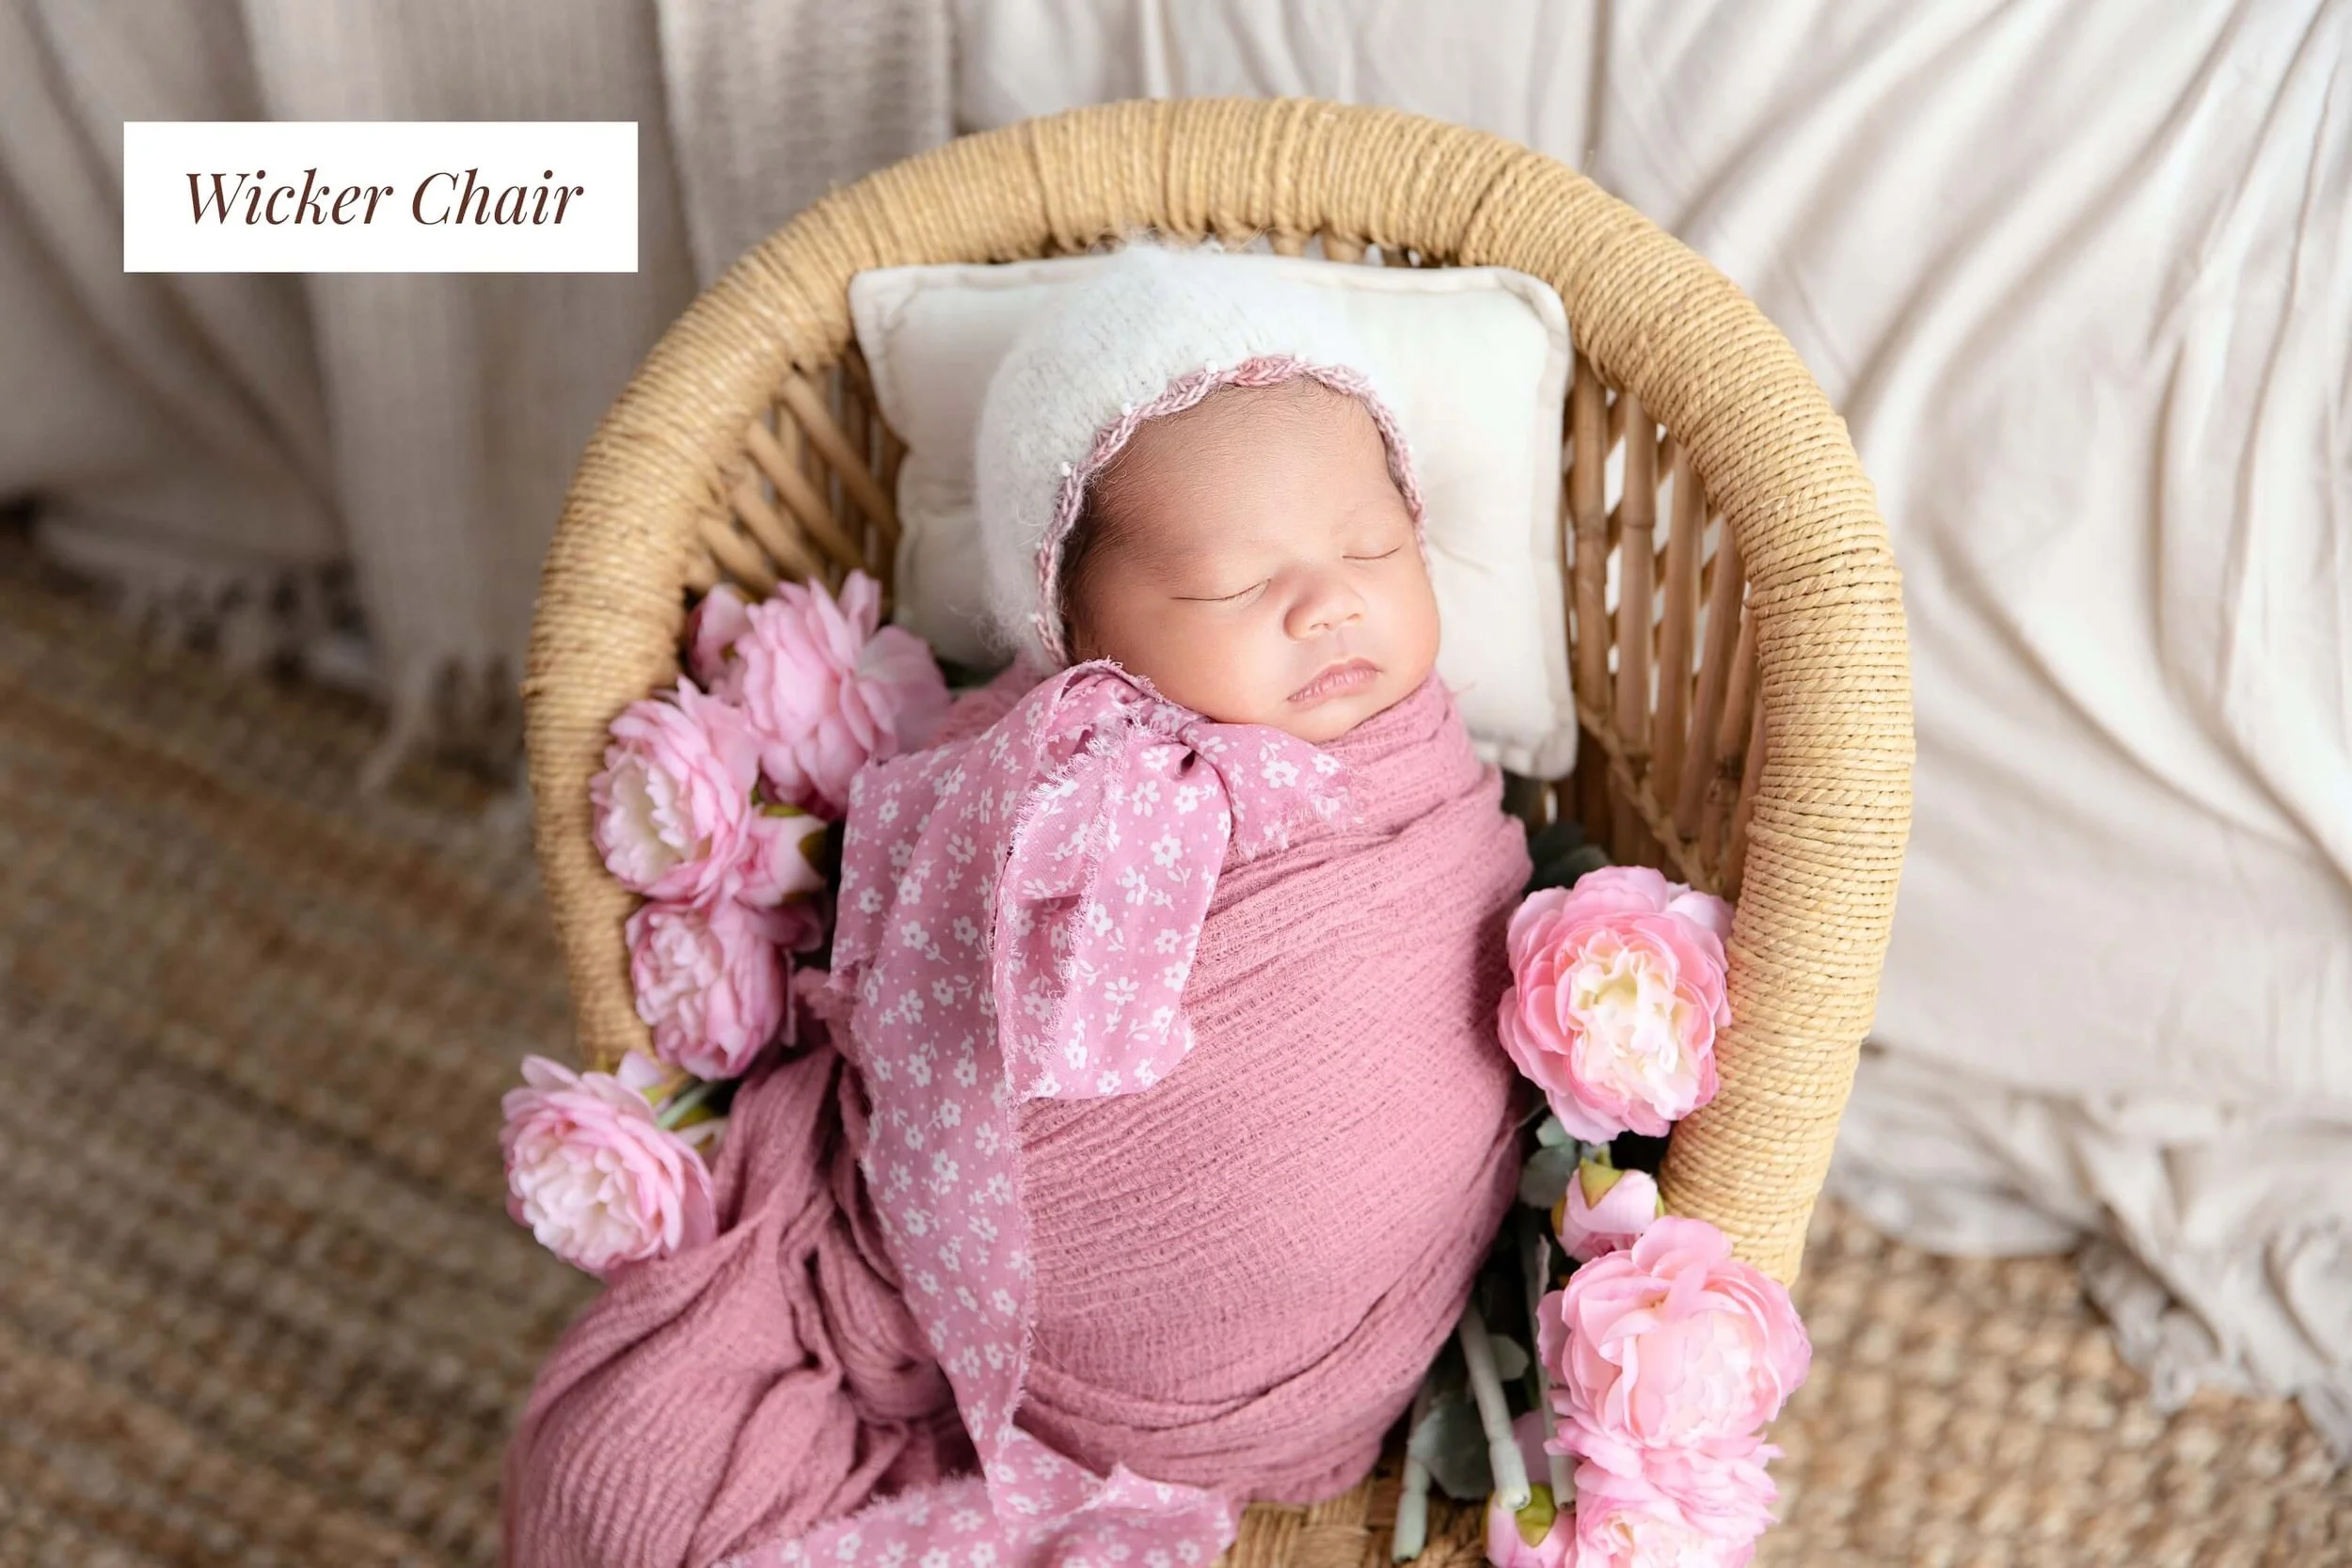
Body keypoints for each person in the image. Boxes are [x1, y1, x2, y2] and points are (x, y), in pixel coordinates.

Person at [504, 245, 1532, 1568]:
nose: (1330, 601)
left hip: (1329, 1361)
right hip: (982, 1312)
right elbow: (924, 1019)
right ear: (1079, 631)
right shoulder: (1036, 783)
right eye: (1231, 583)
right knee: (626, 1472)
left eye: (1373, 546)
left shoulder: (1428, 785)